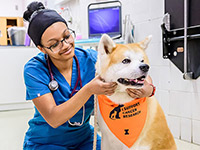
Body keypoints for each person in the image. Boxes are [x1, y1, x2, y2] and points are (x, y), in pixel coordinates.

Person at [22, 1, 155, 150]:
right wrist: (89, 90)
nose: (65, 45)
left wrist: (148, 89)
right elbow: (54, 118)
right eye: (54, 44)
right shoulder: (34, 70)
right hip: (47, 142)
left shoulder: (90, 59)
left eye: (67, 36)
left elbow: (135, 69)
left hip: (84, 139)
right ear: (42, 49)